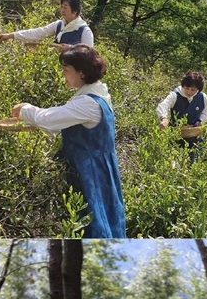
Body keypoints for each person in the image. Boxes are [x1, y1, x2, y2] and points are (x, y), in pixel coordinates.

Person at [10, 45, 126, 237]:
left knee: (94, 219)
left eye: (66, 69)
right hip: (100, 166)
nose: (63, 74)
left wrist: (24, 109)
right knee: (105, 214)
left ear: (81, 73)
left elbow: (49, 118)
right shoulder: (97, 94)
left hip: (91, 170)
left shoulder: (88, 103)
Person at [0, 0, 94, 50]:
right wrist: (11, 35)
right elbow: (37, 33)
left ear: (75, 10)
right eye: (61, 7)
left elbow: (89, 54)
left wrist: (71, 49)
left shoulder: (85, 31)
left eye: (65, 7)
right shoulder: (59, 25)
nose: (62, 10)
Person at [157, 71, 207, 160]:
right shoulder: (175, 95)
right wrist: (164, 118)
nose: (189, 92)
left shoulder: (202, 97)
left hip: (194, 134)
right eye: (187, 88)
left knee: (194, 160)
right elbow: (163, 105)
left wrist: (199, 121)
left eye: (193, 90)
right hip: (176, 134)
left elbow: (205, 113)